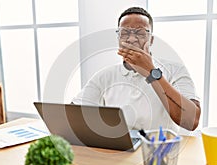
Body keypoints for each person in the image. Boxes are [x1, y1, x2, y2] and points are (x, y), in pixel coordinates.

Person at [72, 7, 201, 132]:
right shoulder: (105, 76)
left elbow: (191, 121)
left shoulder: (175, 70)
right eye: (125, 33)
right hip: (119, 150)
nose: (132, 38)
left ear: (151, 40)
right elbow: (73, 112)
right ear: (118, 38)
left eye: (140, 33)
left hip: (159, 150)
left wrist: (150, 71)